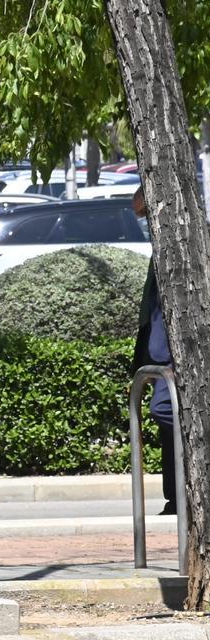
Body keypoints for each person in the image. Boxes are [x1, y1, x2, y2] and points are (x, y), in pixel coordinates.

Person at [131, 186, 177, 516]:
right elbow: (151, 312)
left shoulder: (184, 245)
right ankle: (176, 498)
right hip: (160, 358)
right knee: (166, 421)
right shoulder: (158, 252)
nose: (143, 224)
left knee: (167, 411)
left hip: (175, 358)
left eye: (144, 215)